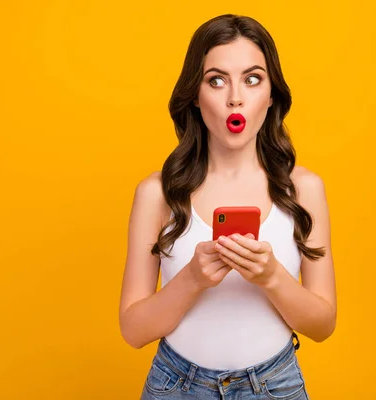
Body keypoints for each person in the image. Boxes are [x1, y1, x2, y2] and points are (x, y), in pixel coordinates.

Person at [119, 14, 337, 399]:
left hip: (275, 386)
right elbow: (133, 331)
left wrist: (271, 276)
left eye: (252, 79)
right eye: (216, 80)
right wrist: (191, 280)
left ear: (270, 96)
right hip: (176, 386)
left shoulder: (303, 189)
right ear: (196, 97)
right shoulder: (157, 193)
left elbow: (323, 325)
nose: (235, 96)